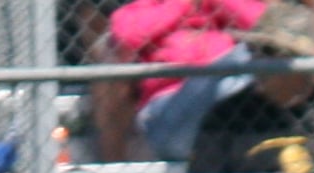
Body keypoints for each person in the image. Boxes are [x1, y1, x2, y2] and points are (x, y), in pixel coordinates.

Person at [188, 3, 314, 173]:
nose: (258, 59)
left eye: (270, 50)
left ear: (302, 59)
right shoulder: (225, 117)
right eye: (254, 48)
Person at [96, 0, 264, 164]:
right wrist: (184, 3)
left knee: (236, 70)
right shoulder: (141, 8)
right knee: (234, 64)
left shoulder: (220, 9)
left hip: (228, 106)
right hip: (170, 116)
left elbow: (265, 28)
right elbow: (127, 35)